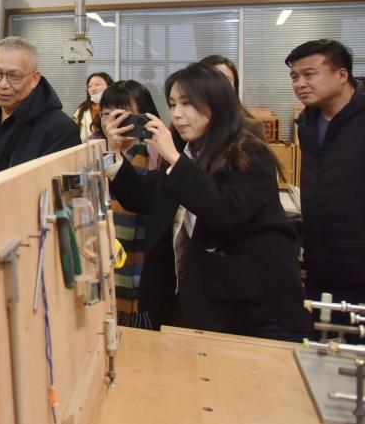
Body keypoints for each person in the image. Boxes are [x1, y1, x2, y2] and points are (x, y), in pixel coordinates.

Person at [103, 63, 310, 340]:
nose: (177, 114)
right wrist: (114, 155)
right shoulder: (186, 152)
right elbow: (147, 198)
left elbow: (225, 211)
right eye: (173, 104)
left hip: (253, 306)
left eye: (187, 103)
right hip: (196, 300)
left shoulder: (248, 151)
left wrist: (175, 160)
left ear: (217, 104)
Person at [286, 39, 365, 309]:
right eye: (294, 77)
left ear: (342, 75)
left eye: (309, 74)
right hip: (321, 263)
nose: (300, 84)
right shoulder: (307, 123)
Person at [0, 37, 79, 189]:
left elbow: (55, 192)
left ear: (35, 79)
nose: (3, 84)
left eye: (14, 76)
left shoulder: (59, 129)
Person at [90, 80, 161, 328]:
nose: (113, 121)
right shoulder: (89, 149)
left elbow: (146, 200)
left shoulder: (156, 151)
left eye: (123, 114)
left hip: (142, 263)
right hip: (97, 259)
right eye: (107, 114)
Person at [74, 72, 114, 139]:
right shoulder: (82, 109)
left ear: (109, 86)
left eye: (97, 84)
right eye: (89, 86)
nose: (93, 89)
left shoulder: (116, 108)